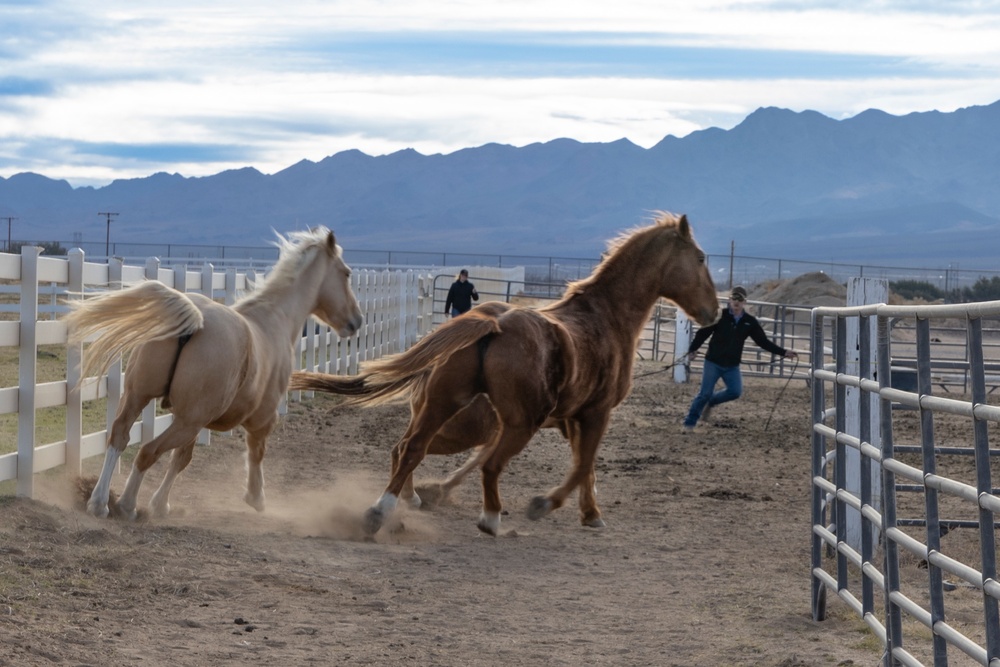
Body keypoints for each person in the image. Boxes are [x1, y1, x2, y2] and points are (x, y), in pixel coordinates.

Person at [682, 285, 797, 431]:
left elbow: (763, 342)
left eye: (740, 299)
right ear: (729, 300)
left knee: (735, 391)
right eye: (734, 298)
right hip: (713, 362)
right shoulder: (719, 316)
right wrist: (693, 349)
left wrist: (784, 352)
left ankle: (712, 401)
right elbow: (703, 333)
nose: (736, 302)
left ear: (744, 302)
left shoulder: (749, 322)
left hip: (732, 365)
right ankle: (689, 423)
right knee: (704, 393)